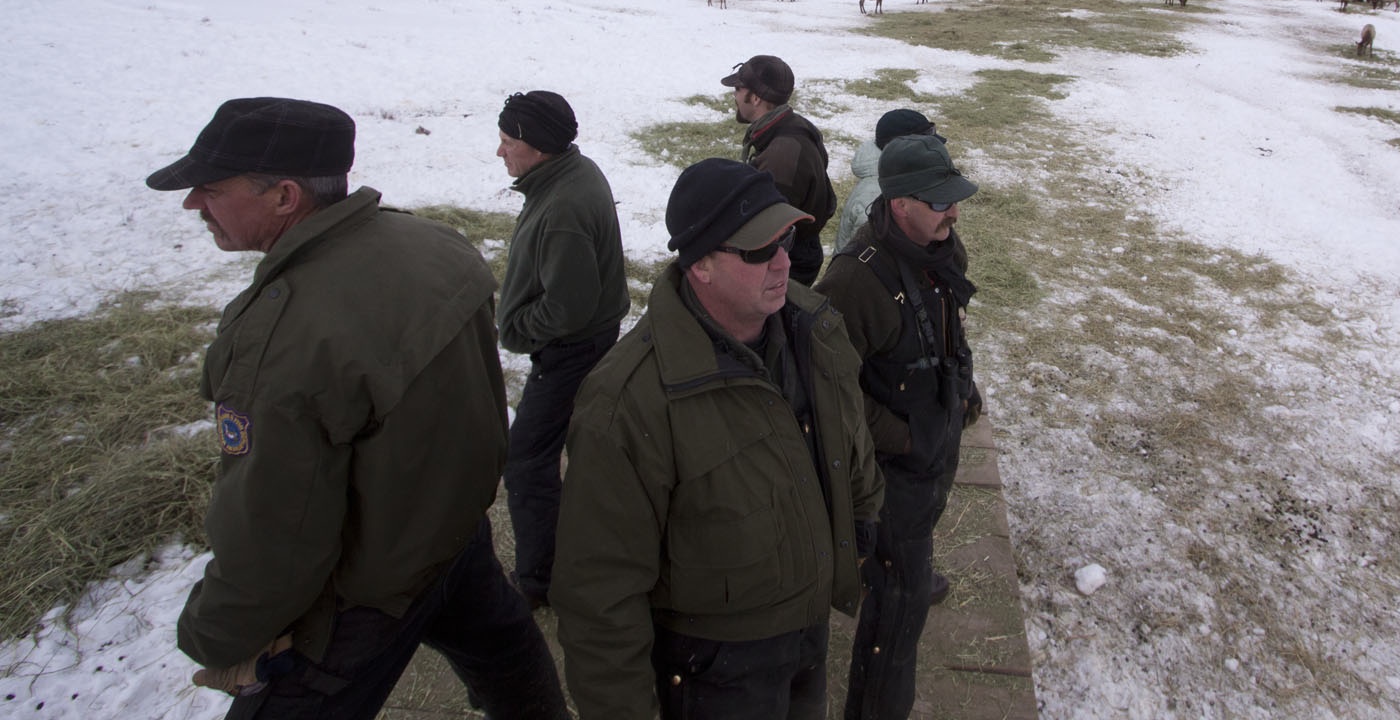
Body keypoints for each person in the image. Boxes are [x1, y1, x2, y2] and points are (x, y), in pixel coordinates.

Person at [147, 97, 567, 720]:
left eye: (209, 188)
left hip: (367, 592)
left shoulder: (284, 333)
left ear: (285, 196)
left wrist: (216, 634)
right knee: (507, 657)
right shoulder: (436, 245)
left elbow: (273, 523)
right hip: (451, 536)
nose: (192, 204)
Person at [551, 159, 884, 719]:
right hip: (714, 670)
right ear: (700, 263)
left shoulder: (813, 327)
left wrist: (863, 521)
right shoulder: (629, 403)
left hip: (808, 632)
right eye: (758, 250)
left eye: (787, 238)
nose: (785, 261)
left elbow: (852, 446)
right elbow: (599, 596)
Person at [816, 134, 982, 720]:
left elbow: (945, 328)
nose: (953, 211)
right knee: (897, 608)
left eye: (954, 198)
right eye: (939, 201)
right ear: (899, 203)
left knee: (905, 592)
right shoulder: (852, 282)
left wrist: (961, 388)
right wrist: (906, 438)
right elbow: (827, 391)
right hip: (890, 475)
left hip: (931, 453)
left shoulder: (940, 249)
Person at [494, 90, 631, 609]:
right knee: (587, 446)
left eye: (508, 141)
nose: (500, 152)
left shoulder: (565, 207)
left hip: (571, 348)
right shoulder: (569, 174)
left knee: (526, 461)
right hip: (585, 339)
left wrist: (516, 329)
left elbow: (568, 307)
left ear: (536, 145)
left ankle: (540, 579)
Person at [720, 54, 835, 285]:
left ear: (755, 98)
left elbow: (768, 231)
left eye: (739, 89)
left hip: (786, 262)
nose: (734, 95)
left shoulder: (782, 155)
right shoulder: (790, 126)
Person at [835, 108, 938, 252]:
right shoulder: (875, 197)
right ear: (903, 149)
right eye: (926, 147)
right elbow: (867, 258)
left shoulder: (899, 177)